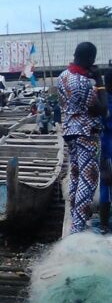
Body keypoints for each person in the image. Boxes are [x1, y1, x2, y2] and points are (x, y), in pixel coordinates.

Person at [57, 41, 108, 234]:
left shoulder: (63, 77)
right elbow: (103, 110)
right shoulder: (85, 83)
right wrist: (100, 82)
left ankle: (74, 218)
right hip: (87, 134)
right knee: (88, 180)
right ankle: (77, 228)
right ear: (90, 59)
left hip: (70, 131)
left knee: (76, 175)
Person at [99, 70, 112, 233]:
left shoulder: (103, 103)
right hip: (107, 149)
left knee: (105, 188)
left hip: (107, 150)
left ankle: (103, 226)